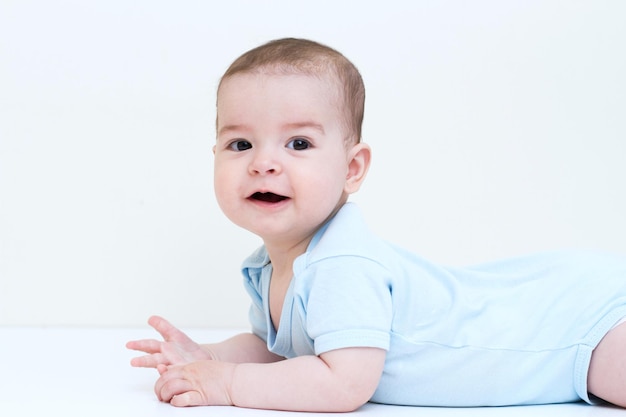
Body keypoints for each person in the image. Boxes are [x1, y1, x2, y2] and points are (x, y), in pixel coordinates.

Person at [126, 37, 626, 412]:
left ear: (352, 168)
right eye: (241, 145)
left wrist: (227, 384)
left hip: (578, 325)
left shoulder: (343, 262)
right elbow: (280, 351)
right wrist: (208, 355)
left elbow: (343, 383)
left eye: (298, 143)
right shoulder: (268, 266)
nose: (263, 163)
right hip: (562, 309)